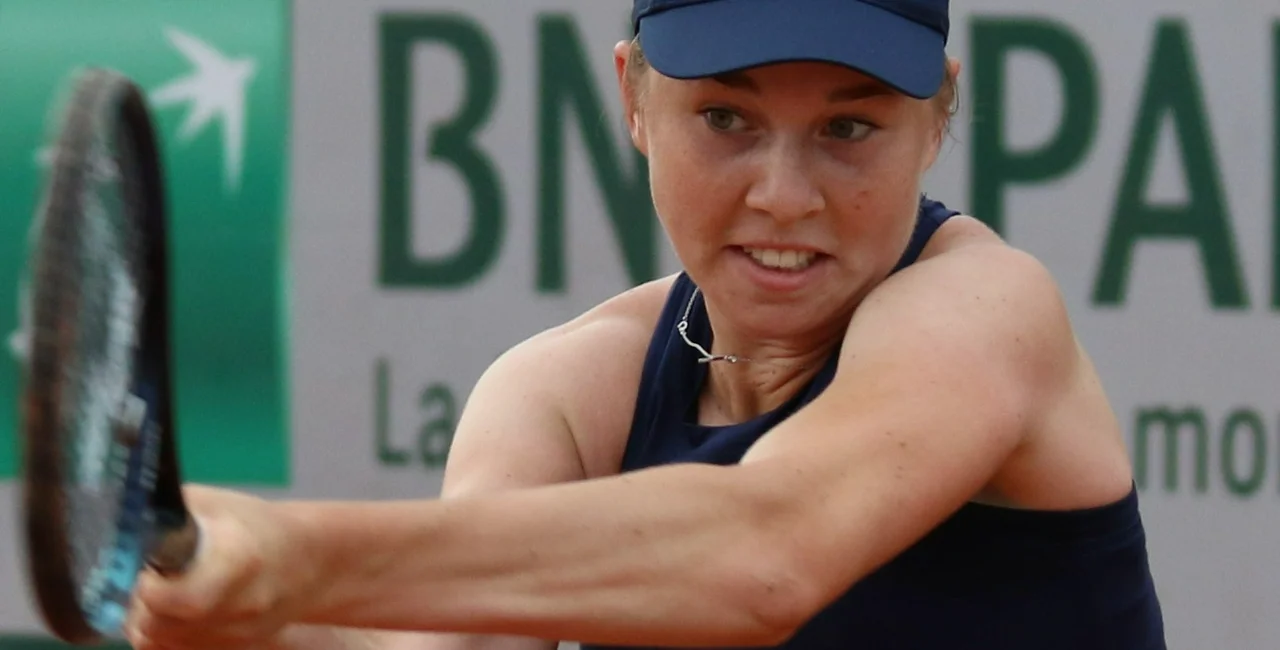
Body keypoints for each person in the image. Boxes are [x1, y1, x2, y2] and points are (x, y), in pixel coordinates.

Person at [124, 0, 1167, 648]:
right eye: (725, 118)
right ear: (632, 97)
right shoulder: (564, 391)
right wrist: (257, 622)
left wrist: (296, 553)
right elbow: (458, 644)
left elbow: (766, 554)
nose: (783, 195)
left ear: (937, 115)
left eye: (848, 126)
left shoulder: (988, 310)